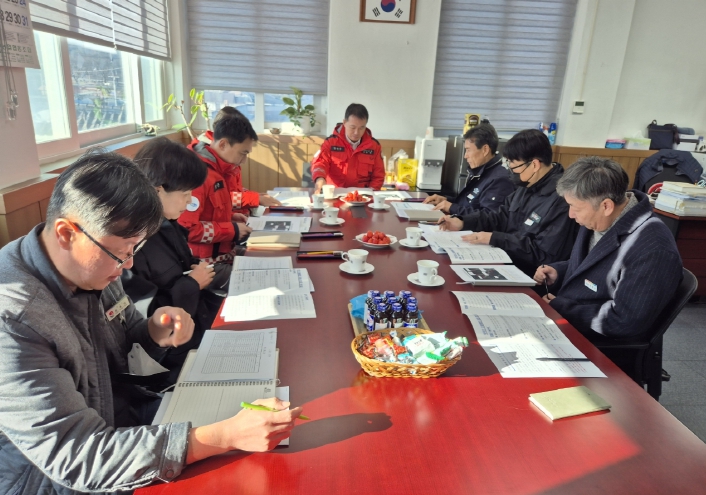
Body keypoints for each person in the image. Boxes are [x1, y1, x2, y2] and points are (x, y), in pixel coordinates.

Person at [0, 151, 301, 494]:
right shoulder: (14, 319)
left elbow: (125, 340)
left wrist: (154, 332)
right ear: (67, 233)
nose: (128, 265)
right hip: (58, 479)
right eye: (122, 252)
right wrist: (224, 436)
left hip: (128, 423)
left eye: (135, 249)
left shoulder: (92, 265)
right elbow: (78, 455)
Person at [533, 156, 683, 341]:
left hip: (598, 343)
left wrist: (563, 308)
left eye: (575, 207)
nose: (571, 214)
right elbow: (594, 265)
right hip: (568, 321)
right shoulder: (599, 219)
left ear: (606, 206)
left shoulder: (653, 250)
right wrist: (559, 272)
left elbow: (625, 321)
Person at [122, 137, 224, 379]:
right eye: (185, 193)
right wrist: (192, 284)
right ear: (157, 191)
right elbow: (145, 317)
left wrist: (196, 275)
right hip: (170, 358)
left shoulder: (166, 224)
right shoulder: (131, 244)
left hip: (197, 330)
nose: (190, 201)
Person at [439, 129, 578, 276]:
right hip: (503, 261)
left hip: (528, 274)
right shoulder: (527, 184)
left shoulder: (562, 199)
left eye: (513, 165)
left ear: (535, 165)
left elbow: (543, 254)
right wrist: (463, 222)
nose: (510, 170)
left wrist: (495, 239)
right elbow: (499, 217)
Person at [180, 115, 280, 264]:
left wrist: (229, 217)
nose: (244, 160)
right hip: (205, 264)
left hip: (225, 254)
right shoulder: (197, 175)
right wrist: (232, 229)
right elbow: (187, 229)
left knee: (272, 258)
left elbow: (211, 210)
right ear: (223, 144)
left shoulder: (219, 169)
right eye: (243, 153)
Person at [424, 123, 514, 215]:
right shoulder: (480, 171)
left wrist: (452, 208)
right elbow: (469, 204)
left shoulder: (500, 180)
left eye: (468, 150)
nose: (465, 156)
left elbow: (489, 217)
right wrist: (446, 201)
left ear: (485, 150)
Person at [311, 103, 384, 192]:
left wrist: (370, 194)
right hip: (335, 194)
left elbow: (378, 176)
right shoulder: (330, 143)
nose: (356, 132)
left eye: (361, 128)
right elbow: (320, 163)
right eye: (352, 127)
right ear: (344, 123)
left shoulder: (374, 146)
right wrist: (319, 178)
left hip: (362, 196)